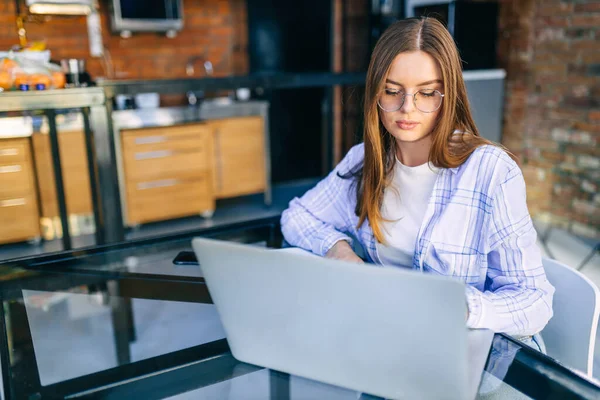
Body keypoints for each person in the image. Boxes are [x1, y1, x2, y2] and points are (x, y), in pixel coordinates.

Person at [281, 17, 554, 346]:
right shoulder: (365, 161)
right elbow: (296, 216)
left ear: (448, 95)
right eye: (392, 91)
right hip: (393, 339)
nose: (406, 108)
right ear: (376, 93)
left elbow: (535, 301)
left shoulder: (491, 173)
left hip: (471, 350)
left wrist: (462, 309)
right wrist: (338, 250)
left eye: (426, 93)